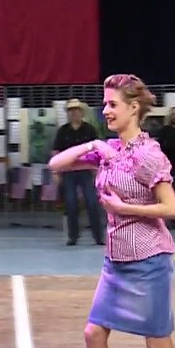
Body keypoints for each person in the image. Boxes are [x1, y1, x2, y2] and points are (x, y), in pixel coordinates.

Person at [46, 74, 175, 348]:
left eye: (113, 104)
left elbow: (172, 208)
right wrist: (95, 143)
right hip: (117, 261)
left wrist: (123, 208)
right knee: (93, 334)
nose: (106, 110)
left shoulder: (150, 154)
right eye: (105, 104)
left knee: (158, 344)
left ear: (134, 108)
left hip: (149, 259)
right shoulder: (110, 150)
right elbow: (56, 163)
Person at [51, 99, 105, 246]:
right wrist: (55, 172)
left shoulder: (90, 130)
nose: (74, 113)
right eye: (71, 111)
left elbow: (98, 150)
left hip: (86, 171)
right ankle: (73, 236)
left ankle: (98, 236)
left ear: (81, 112)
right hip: (68, 172)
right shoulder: (63, 131)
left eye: (76, 110)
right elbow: (57, 152)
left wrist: (98, 170)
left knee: (92, 203)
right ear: (68, 114)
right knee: (71, 204)